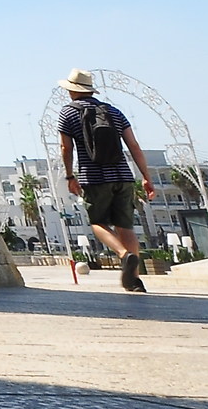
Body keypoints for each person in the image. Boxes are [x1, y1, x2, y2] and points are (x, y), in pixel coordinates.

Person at [55, 68, 157, 292]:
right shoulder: (113, 111)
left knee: (98, 223)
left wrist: (70, 175)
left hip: (94, 177)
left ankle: (124, 255)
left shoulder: (68, 113)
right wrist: (147, 178)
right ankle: (135, 280)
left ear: (72, 91)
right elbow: (134, 146)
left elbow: (66, 147)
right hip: (123, 176)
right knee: (125, 226)